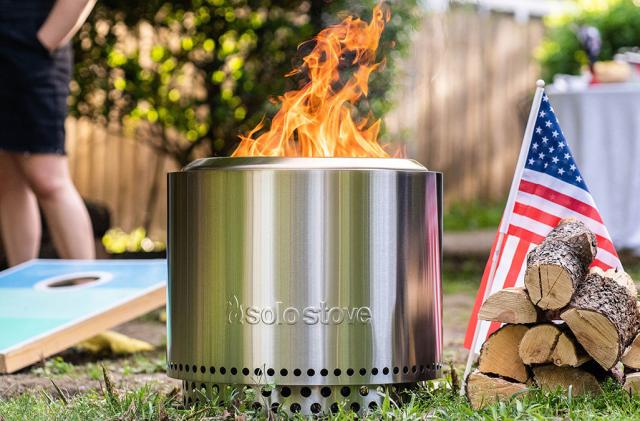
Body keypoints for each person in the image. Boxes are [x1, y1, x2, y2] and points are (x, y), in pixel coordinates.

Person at [0, 0, 97, 266]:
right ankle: (22, 289)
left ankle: (87, 292)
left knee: (48, 179)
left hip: (35, 49)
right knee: (7, 178)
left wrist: (44, 41)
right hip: (9, 48)